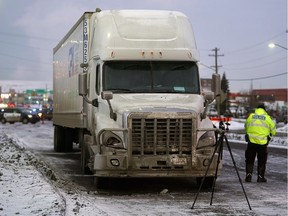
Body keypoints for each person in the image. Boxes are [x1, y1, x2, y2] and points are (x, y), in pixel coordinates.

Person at [244, 104, 276, 183]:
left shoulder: (251, 116)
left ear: (257, 109)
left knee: (249, 159)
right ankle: (260, 177)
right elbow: (273, 130)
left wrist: (249, 134)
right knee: (262, 160)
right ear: (264, 110)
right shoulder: (267, 118)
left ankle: (248, 176)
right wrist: (269, 135)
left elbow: (246, 126)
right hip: (262, 143)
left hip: (251, 142)